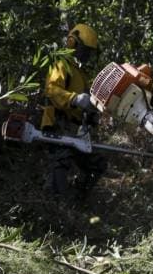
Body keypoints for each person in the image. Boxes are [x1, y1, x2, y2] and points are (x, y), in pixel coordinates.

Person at [41, 23, 107, 198]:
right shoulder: (61, 63)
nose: (88, 55)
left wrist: (91, 114)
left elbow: (85, 103)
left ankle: (77, 199)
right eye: (86, 50)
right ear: (73, 43)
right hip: (58, 122)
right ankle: (55, 203)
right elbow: (52, 90)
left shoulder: (80, 72)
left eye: (90, 52)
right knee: (61, 159)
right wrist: (74, 99)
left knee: (96, 163)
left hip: (76, 129)